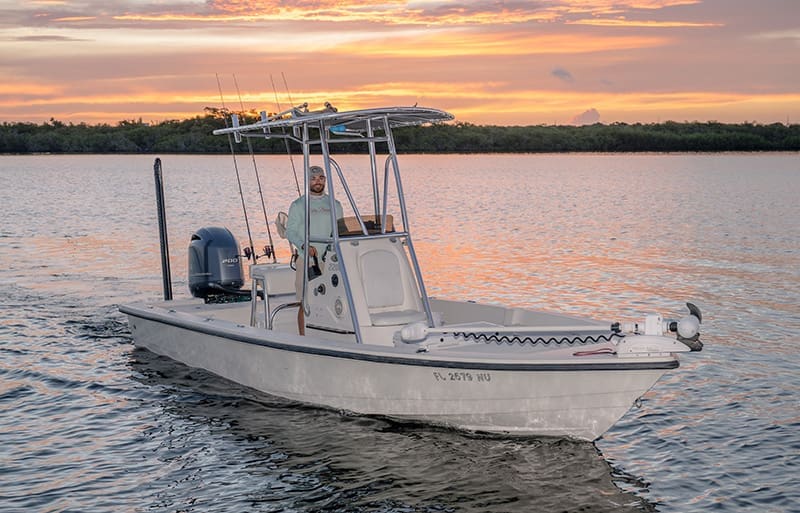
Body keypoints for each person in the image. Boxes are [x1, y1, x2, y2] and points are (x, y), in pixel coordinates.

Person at [286, 165, 343, 335]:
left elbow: (340, 230)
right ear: (307, 181)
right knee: (306, 301)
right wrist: (304, 245)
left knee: (333, 299)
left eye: (321, 178)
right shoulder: (298, 205)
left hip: (330, 260)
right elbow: (290, 232)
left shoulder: (335, 204)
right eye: (313, 178)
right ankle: (303, 339)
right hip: (307, 260)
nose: (317, 182)